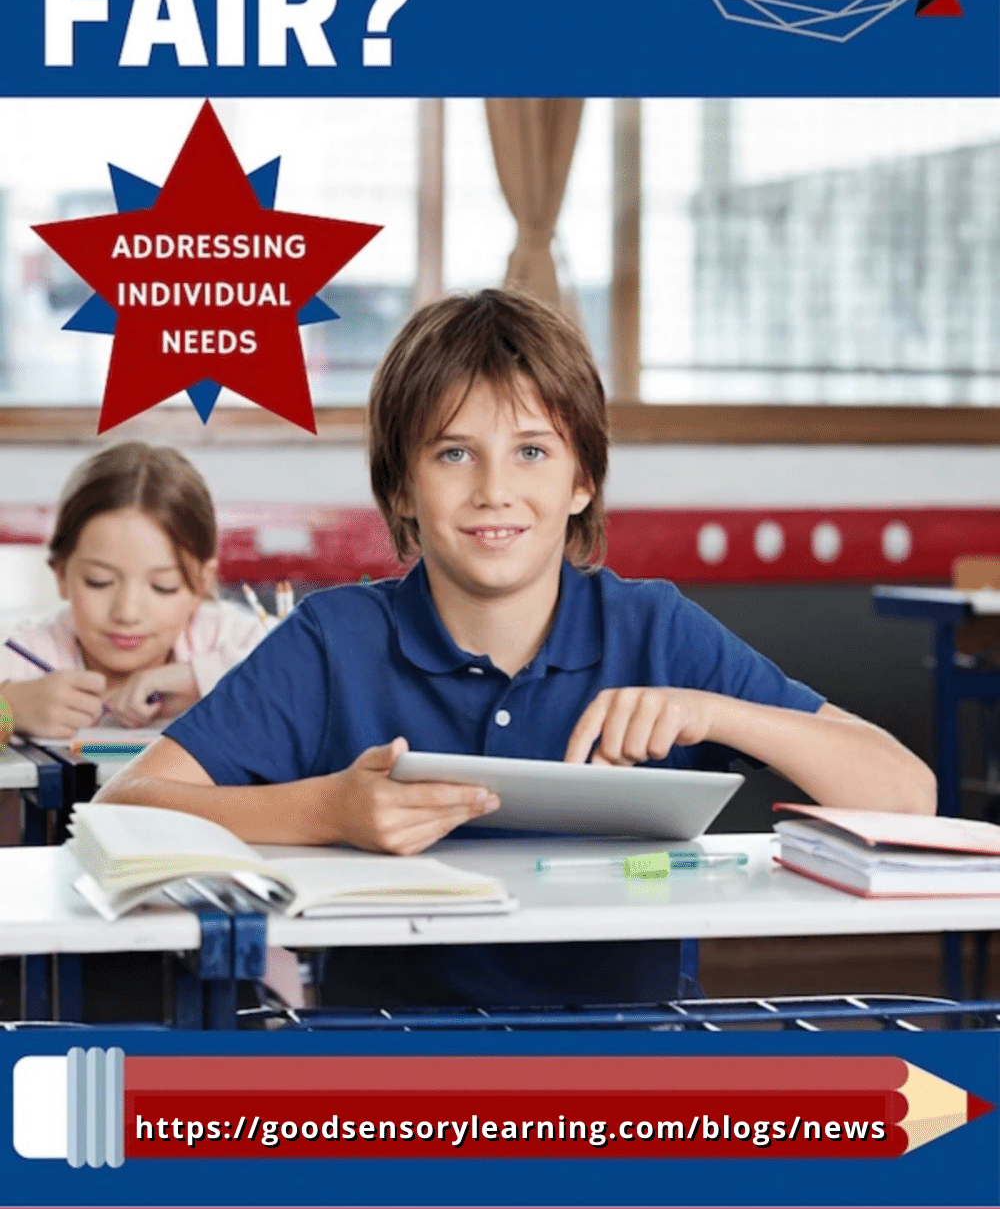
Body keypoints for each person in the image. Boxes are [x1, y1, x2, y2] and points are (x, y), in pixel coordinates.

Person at [98, 290, 935, 1007]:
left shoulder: (653, 630)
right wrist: (327, 812)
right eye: (454, 453)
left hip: (628, 1090)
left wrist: (715, 711)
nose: (494, 490)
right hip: (386, 1090)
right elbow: (128, 807)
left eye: (531, 451)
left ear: (582, 482)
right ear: (401, 487)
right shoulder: (336, 639)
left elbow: (906, 799)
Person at [1, 442, 267, 739]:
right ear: (61, 574)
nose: (127, 613)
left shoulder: (225, 637)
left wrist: (197, 677)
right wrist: (11, 707)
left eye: (162, 587)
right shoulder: (24, 653)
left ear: (200, 583)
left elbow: (308, 678)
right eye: (98, 581)